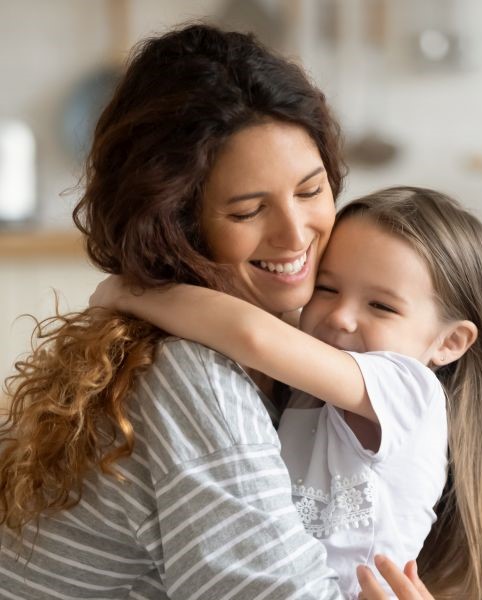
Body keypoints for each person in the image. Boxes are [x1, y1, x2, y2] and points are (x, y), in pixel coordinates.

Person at [0, 23, 427, 599]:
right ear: (177, 225)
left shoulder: (302, 354)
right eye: (249, 211)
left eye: (310, 191)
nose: (296, 234)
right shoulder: (193, 375)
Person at [91, 186, 482, 599]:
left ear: (448, 342)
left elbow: (252, 335)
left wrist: (129, 293)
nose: (341, 317)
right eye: (326, 289)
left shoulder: (411, 391)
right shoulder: (317, 386)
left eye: (381, 306)